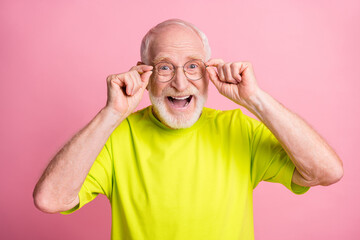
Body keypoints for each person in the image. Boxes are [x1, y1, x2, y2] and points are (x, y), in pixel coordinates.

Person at [33, 19, 343, 240]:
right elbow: (50, 199)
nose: (180, 84)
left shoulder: (238, 128)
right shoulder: (115, 137)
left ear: (209, 71)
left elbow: (326, 171)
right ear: (144, 74)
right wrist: (111, 113)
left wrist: (255, 99)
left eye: (193, 66)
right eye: (165, 67)